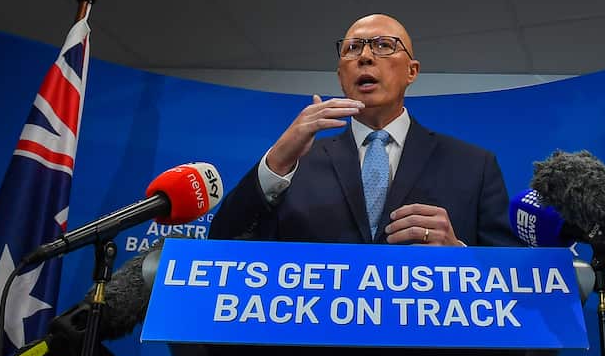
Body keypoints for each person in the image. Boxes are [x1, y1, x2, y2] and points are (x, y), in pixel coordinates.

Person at [209, 13, 517, 247]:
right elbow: (222, 243)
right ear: (341, 75)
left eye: (384, 46)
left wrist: (457, 253)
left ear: (412, 71)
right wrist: (275, 162)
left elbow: (514, 280)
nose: (366, 56)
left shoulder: (473, 166)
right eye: (353, 48)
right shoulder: (292, 166)